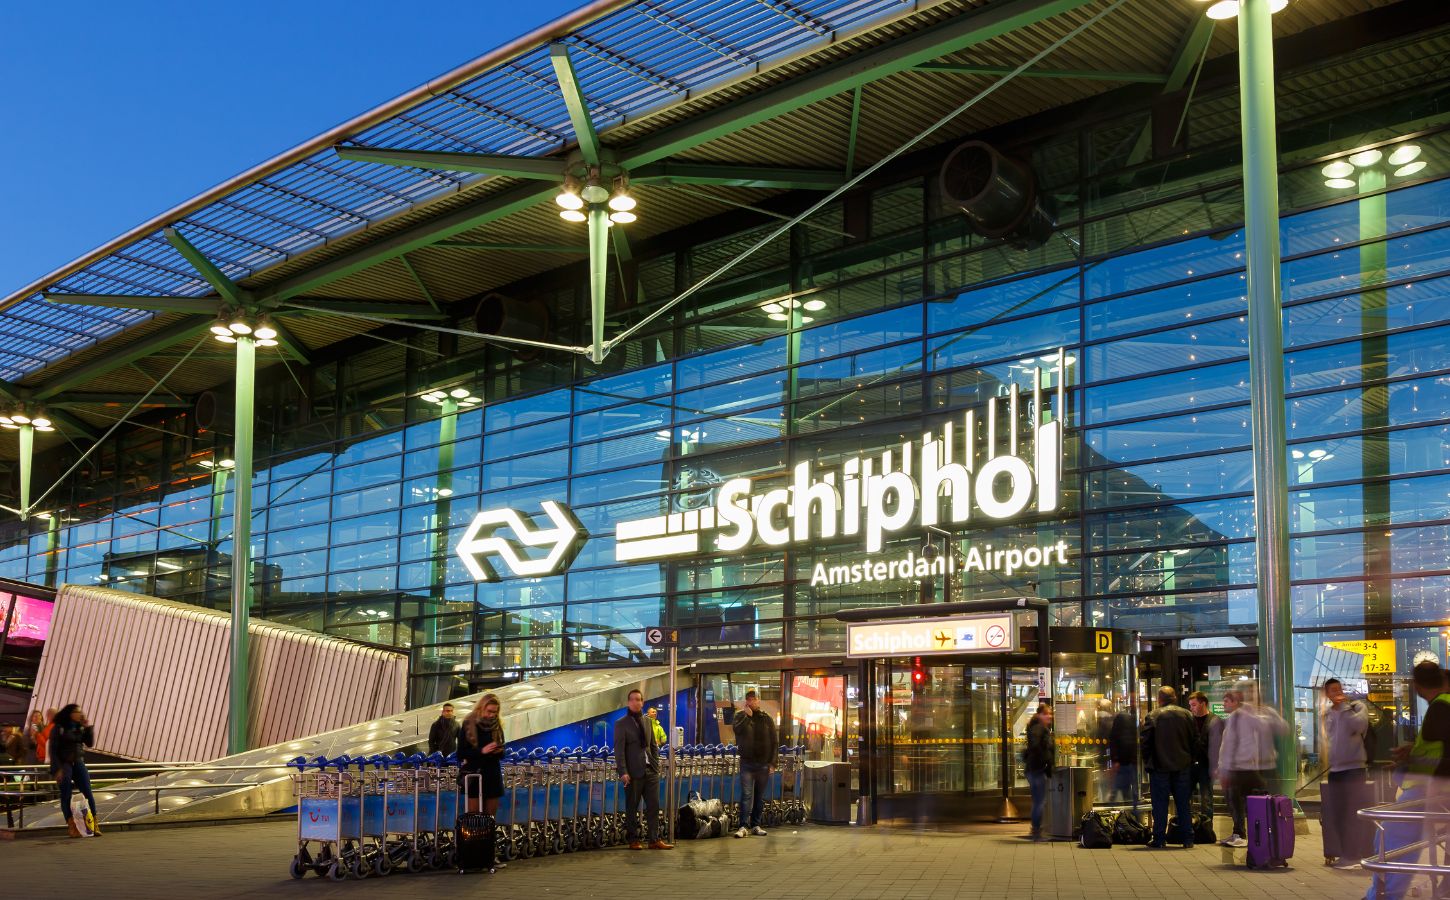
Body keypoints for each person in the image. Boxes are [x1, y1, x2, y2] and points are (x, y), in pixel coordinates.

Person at [1366, 661, 1450, 900]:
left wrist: (1409, 760)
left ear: (1416, 685)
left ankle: (1384, 894)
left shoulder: (1440, 708)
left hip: (1430, 789)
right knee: (1402, 843)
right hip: (1433, 790)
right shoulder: (1444, 705)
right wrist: (1412, 752)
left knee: (1389, 840)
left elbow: (1440, 755)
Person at [1218, 686, 1289, 849]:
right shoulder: (1238, 716)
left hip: (1265, 766)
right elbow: (1228, 744)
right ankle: (1244, 835)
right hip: (1246, 767)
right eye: (1246, 693)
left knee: (1267, 805)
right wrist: (1224, 767)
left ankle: (1268, 837)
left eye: (1252, 692)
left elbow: (1284, 729)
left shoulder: (1266, 713)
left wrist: (1265, 717)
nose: (1250, 696)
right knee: (1239, 802)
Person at [1320, 677, 1372, 867]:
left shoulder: (1356, 708)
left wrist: (1343, 708)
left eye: (1338, 688)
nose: (1337, 692)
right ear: (1327, 694)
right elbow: (1331, 740)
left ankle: (1355, 854)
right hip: (1336, 770)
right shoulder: (1326, 714)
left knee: (1353, 813)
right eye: (1332, 690)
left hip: (1354, 769)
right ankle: (1346, 854)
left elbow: (1358, 727)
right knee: (1339, 814)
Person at [614, 689, 672, 850]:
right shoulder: (621, 724)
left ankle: (654, 839)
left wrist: (655, 763)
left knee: (653, 805)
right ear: (628, 702)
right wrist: (623, 772)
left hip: (650, 770)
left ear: (642, 702)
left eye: (638, 700)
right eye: (632, 700)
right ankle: (633, 840)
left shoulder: (647, 722)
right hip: (632, 772)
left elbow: (653, 745)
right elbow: (619, 751)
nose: (636, 702)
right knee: (632, 806)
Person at [1142, 686, 1199, 848]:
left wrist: (1149, 763)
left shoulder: (1153, 716)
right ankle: (1188, 839)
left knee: (1160, 804)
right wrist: (1190, 759)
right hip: (1182, 766)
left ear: (1159, 699)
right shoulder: (1187, 715)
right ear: (1174, 698)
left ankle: (1159, 839)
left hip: (1160, 767)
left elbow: (1146, 743)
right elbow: (1195, 740)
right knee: (1183, 804)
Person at [456, 692, 506, 870]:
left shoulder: (496, 725)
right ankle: (472, 858)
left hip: (492, 774)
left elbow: (503, 751)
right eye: (489, 711)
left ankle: (489, 857)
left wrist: (498, 750)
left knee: (490, 820)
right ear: (481, 707)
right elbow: (461, 753)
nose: (492, 715)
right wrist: (482, 751)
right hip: (474, 776)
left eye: (495, 712)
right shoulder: (469, 723)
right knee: (474, 819)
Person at [49, 704, 100, 837]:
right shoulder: (59, 728)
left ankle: (94, 824)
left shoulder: (79, 727)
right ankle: (72, 827)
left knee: (87, 791)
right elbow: (53, 751)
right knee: (66, 793)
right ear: (70, 713)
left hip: (78, 761)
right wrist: (57, 769)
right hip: (64, 763)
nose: (80, 713)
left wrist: (88, 727)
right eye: (77, 712)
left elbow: (89, 743)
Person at [732, 689, 777, 838]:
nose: (752, 702)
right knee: (746, 794)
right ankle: (743, 826)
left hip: (763, 763)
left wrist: (772, 763)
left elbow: (774, 742)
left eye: (754, 699)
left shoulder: (766, 718)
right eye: (749, 699)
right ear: (746, 701)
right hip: (747, 763)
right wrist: (747, 717)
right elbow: (737, 731)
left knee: (759, 796)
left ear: (758, 700)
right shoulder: (740, 716)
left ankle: (756, 824)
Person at [1024, 703, 1054, 842]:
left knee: (1038, 801)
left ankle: (1036, 830)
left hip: (1034, 769)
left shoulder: (1037, 728)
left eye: (1050, 713)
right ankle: (1036, 831)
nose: (1049, 716)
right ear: (1039, 715)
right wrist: (1046, 761)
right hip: (1037, 769)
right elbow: (1037, 749)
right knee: (1039, 802)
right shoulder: (1039, 729)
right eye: (1046, 713)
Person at [1187, 691, 1216, 816]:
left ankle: (1207, 830)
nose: (1191, 708)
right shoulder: (1188, 720)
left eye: (1193, 705)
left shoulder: (1214, 720)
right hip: (1189, 765)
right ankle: (1188, 828)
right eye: (1190, 705)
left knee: (1206, 799)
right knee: (1186, 798)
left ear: (1203, 703)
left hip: (1206, 765)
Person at [1107, 704, 1138, 806]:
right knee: (1130, 793)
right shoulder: (1133, 725)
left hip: (1121, 763)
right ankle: (1133, 817)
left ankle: (1113, 814)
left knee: (1116, 791)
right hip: (1132, 763)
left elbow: (1113, 742)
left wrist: (1115, 760)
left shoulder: (1117, 725)